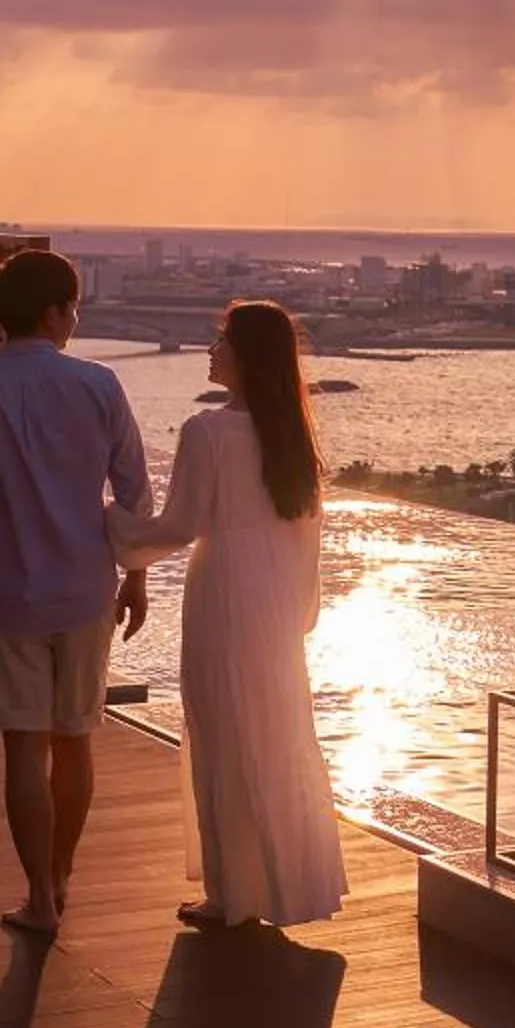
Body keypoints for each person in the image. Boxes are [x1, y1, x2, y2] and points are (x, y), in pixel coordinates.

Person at [0, 247, 152, 940]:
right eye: (73, 306)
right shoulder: (99, 385)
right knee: (76, 740)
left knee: (24, 749)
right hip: (87, 591)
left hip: (12, 593)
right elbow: (135, 492)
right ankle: (61, 873)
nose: (74, 318)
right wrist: (137, 575)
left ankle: (39, 901)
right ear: (56, 312)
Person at [110, 299, 347, 928]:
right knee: (275, 733)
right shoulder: (292, 433)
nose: (211, 349)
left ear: (245, 356)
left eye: (221, 340)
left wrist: (111, 525)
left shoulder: (208, 432)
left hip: (224, 588)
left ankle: (231, 893)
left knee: (221, 729)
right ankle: (287, 884)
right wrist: (300, 609)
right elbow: (308, 534)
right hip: (273, 593)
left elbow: (180, 525)